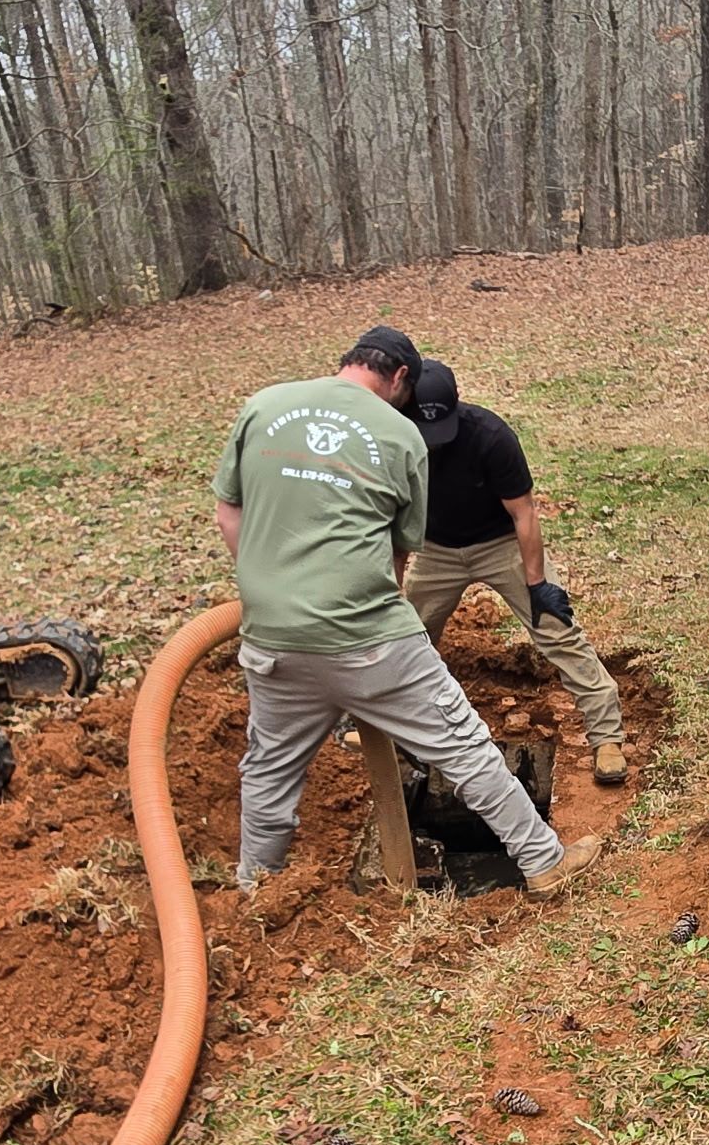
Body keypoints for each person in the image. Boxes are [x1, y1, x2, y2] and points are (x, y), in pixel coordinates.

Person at [212, 325, 603, 900]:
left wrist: (277, 590)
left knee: (270, 771)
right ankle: (543, 862)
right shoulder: (399, 434)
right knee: (464, 746)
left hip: (272, 636)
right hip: (368, 637)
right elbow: (400, 551)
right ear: (399, 378)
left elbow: (229, 512)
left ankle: (257, 890)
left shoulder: (265, 405)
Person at [400, 359, 627, 785]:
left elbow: (524, 514)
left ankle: (607, 737)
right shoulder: (395, 434)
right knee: (406, 637)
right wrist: (392, 589)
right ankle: (400, 733)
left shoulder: (491, 436)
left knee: (556, 629)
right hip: (435, 549)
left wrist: (538, 583)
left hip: (500, 543)